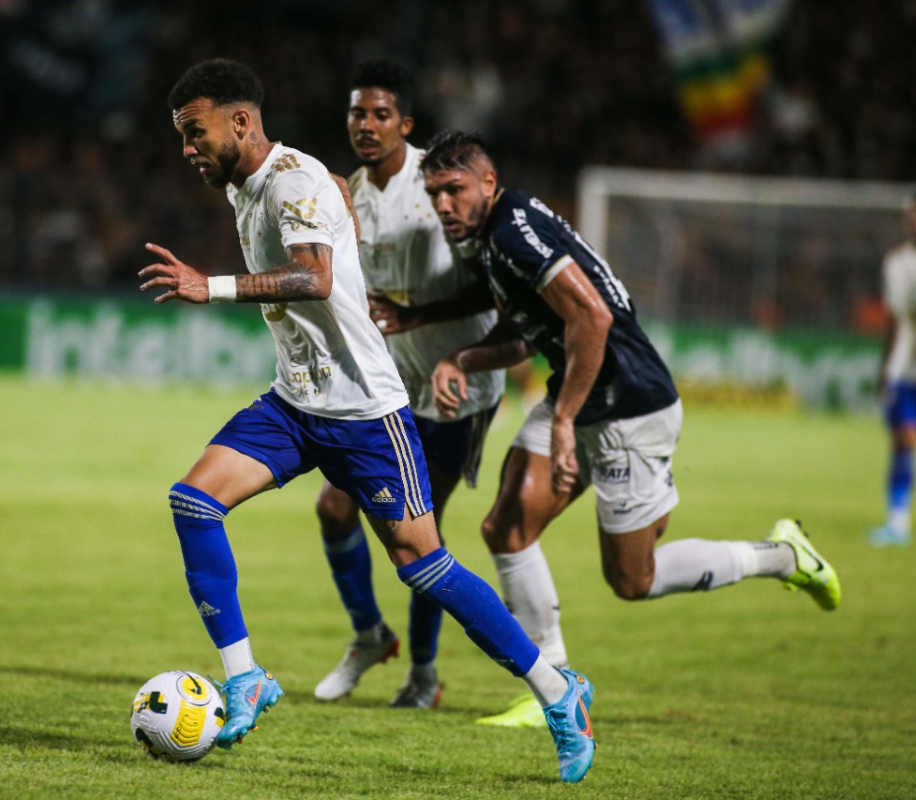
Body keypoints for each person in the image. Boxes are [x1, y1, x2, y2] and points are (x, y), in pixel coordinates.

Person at [141, 60, 595, 782]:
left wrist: (210, 285)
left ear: (241, 122)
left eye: (196, 133)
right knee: (193, 502)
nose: (188, 149)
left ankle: (556, 690)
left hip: (364, 412)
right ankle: (246, 677)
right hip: (295, 402)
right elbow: (327, 220)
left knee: (423, 565)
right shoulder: (249, 183)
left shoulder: (291, 181)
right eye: (181, 137)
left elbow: (314, 277)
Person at [416, 129, 842, 717]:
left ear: (487, 183)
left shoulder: (512, 229)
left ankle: (781, 556)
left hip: (628, 406)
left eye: (454, 189)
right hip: (580, 393)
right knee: (507, 527)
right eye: (434, 193)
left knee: (632, 580)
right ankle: (556, 688)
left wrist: (563, 419)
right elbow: (527, 333)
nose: (443, 204)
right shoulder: (491, 237)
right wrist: (460, 358)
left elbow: (592, 318)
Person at [310, 59, 506, 710]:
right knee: (334, 507)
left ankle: (423, 674)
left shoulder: (439, 182)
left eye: (380, 114)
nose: (366, 125)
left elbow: (493, 286)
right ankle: (370, 635)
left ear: (406, 124)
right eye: (356, 113)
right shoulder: (346, 193)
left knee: (420, 537)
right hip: (388, 383)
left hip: (458, 388)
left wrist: (419, 317)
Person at [871, 189, 916, 547]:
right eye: (915, 216)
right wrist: (883, 369)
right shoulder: (896, 263)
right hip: (905, 369)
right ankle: (898, 520)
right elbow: (892, 319)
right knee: (904, 439)